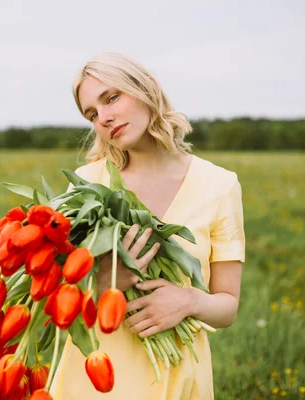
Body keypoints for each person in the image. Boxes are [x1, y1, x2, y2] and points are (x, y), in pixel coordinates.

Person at [50, 52, 245, 400]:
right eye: (92, 114)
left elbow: (227, 305)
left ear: (147, 89)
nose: (105, 118)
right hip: (96, 377)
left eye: (112, 98)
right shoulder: (85, 184)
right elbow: (53, 297)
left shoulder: (220, 184)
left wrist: (189, 301)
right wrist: (105, 280)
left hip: (178, 376)